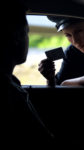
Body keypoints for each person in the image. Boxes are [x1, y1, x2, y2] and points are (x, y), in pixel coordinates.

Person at [1, 1, 54, 148]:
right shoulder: (7, 91)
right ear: (16, 37)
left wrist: (51, 81)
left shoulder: (11, 82)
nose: (27, 38)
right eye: (26, 32)